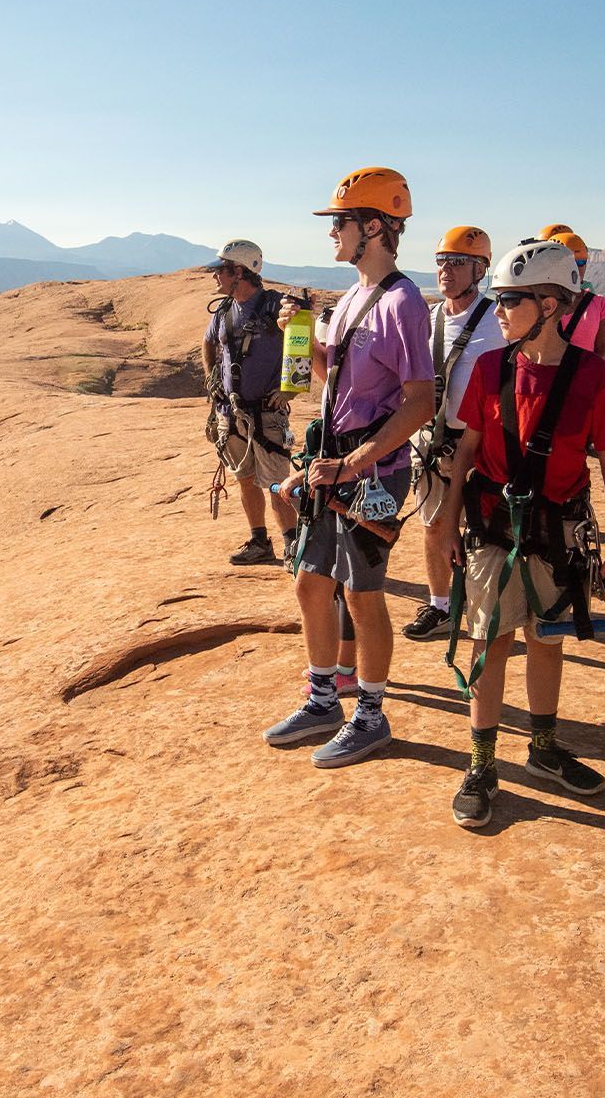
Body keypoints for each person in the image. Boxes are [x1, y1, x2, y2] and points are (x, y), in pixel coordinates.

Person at [434, 240, 605, 827]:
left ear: (549, 305)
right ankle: (482, 762)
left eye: (510, 300)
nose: (498, 310)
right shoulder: (492, 368)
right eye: (498, 299)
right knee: (489, 640)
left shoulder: (593, 377)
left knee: (547, 640)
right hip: (496, 529)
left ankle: (542, 747)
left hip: (557, 531)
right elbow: (468, 447)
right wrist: (448, 517)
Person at [263, 167, 435, 766]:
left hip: (369, 470)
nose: (332, 232)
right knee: (312, 582)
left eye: (340, 222)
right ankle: (322, 699)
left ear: (376, 227)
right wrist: (301, 338)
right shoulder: (351, 300)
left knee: (363, 593)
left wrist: (357, 462)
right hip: (333, 462)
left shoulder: (403, 303)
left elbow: (420, 401)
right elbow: (327, 382)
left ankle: (370, 713)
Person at [405, 226, 505, 640]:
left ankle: (487, 608)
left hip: (478, 443)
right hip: (433, 442)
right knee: (433, 526)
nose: (446, 270)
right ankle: (440, 604)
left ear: (479, 269)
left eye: (458, 263)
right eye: (442, 262)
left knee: (482, 530)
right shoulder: (429, 320)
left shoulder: (496, 323)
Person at [200, 240, 297, 564]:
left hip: (267, 415)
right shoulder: (225, 311)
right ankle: (260, 541)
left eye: (220, 271)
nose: (216, 278)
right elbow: (208, 342)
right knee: (244, 478)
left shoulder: (276, 307)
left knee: (276, 484)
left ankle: (293, 545)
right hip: (232, 412)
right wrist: (213, 382)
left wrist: (291, 390)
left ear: (238, 272)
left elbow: (300, 344)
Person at [544, 230, 605, 357]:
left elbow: (602, 352)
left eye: (581, 263)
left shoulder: (600, 304)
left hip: (585, 375)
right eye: (572, 263)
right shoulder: (537, 303)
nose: (578, 268)